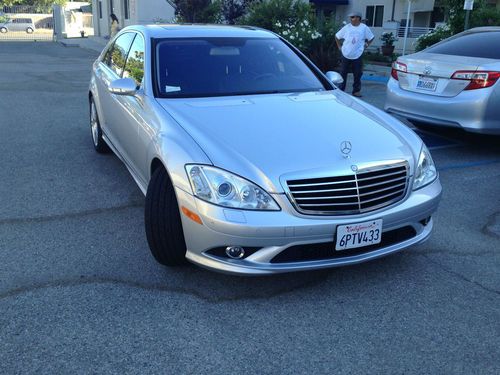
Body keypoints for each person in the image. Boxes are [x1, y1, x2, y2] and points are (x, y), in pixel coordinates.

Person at [335, 11, 374, 97]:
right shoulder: (347, 27)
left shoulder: (364, 28)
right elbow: (337, 36)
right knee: (343, 73)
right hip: (346, 54)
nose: (352, 19)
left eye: (354, 17)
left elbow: (371, 37)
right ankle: (341, 89)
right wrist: (339, 47)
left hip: (357, 54)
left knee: (357, 73)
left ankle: (356, 91)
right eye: (351, 17)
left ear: (358, 18)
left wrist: (366, 44)